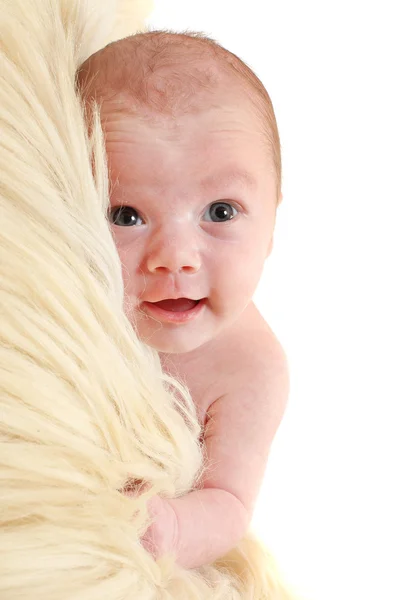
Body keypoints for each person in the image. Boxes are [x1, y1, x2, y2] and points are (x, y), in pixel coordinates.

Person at [77, 30, 289, 570]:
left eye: (220, 212)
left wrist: (168, 528)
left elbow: (229, 501)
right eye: (125, 215)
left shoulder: (249, 368)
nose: (175, 258)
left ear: (272, 224)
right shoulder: (64, 305)